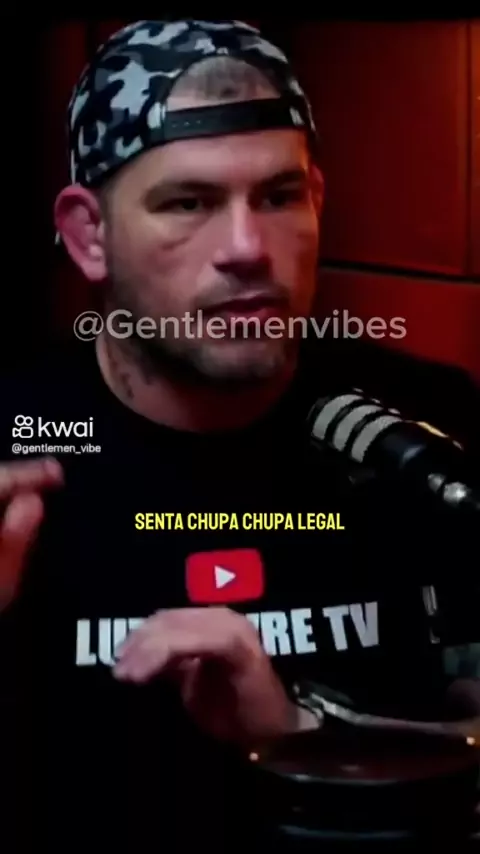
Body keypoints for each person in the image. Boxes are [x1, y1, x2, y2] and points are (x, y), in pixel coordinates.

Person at [1, 19, 478, 852]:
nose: (247, 249)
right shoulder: (17, 445)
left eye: (279, 196)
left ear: (317, 200)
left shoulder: (430, 436)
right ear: (89, 235)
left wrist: (299, 732)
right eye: (188, 203)